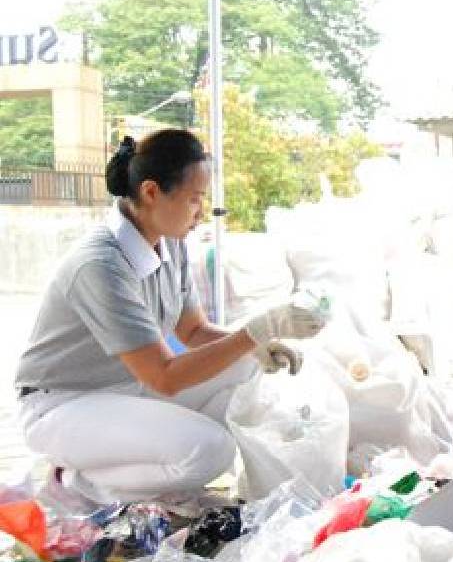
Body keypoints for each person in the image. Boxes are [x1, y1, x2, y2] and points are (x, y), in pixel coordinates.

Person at [14, 130, 328, 504]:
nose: (201, 212)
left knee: (245, 369)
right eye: (194, 199)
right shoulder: (101, 266)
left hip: (126, 387)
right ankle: (78, 484)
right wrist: (257, 331)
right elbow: (164, 377)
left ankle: (158, 480)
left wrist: (258, 345)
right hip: (64, 403)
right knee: (211, 451)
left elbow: (193, 330)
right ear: (151, 192)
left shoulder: (170, 242)